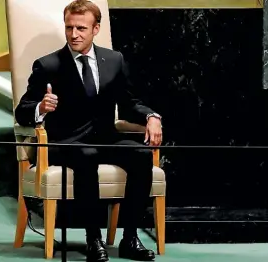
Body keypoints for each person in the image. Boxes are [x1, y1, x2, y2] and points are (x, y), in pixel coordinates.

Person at [15, 0, 162, 261]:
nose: (74, 34)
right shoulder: (48, 65)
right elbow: (22, 110)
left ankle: (130, 238)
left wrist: (151, 116)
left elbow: (129, 104)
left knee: (140, 155)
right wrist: (41, 107)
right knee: (86, 156)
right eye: (69, 27)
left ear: (96, 29)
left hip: (105, 139)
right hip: (66, 143)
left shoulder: (114, 60)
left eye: (81, 28)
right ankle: (93, 239)